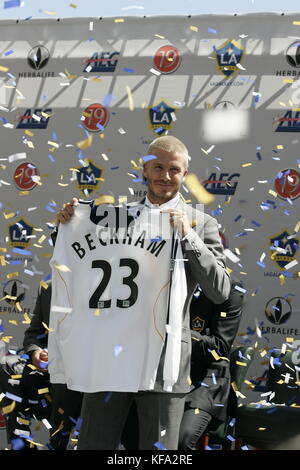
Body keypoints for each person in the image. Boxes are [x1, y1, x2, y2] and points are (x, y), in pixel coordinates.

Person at [52, 135, 231, 450]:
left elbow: (219, 291)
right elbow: (81, 263)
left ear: (185, 173)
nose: (165, 176)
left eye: (174, 169)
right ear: (145, 170)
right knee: (94, 444)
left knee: (159, 453)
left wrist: (187, 235)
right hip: (111, 356)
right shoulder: (112, 217)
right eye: (157, 167)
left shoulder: (201, 223)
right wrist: (70, 222)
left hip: (165, 362)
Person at [0, 282, 83, 450]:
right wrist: (36, 352)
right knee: (6, 366)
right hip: (50, 369)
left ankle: (62, 440)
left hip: (83, 372)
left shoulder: (95, 282)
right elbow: (34, 334)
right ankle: (21, 445)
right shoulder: (49, 287)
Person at [178, 277, 244, 450]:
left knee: (182, 440)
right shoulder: (169, 280)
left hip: (205, 382)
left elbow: (220, 347)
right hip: (164, 376)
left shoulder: (230, 287)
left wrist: (178, 333)